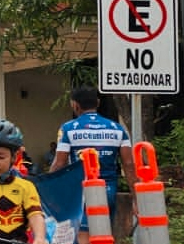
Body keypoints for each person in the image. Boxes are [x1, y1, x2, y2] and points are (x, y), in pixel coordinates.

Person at [48, 85, 136, 218]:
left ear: (74, 105)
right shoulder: (118, 129)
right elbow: (129, 164)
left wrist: (48, 192)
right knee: (105, 234)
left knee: (83, 236)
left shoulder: (68, 129)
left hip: (79, 192)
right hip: (108, 191)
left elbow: (59, 164)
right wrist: (136, 198)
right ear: (98, 103)